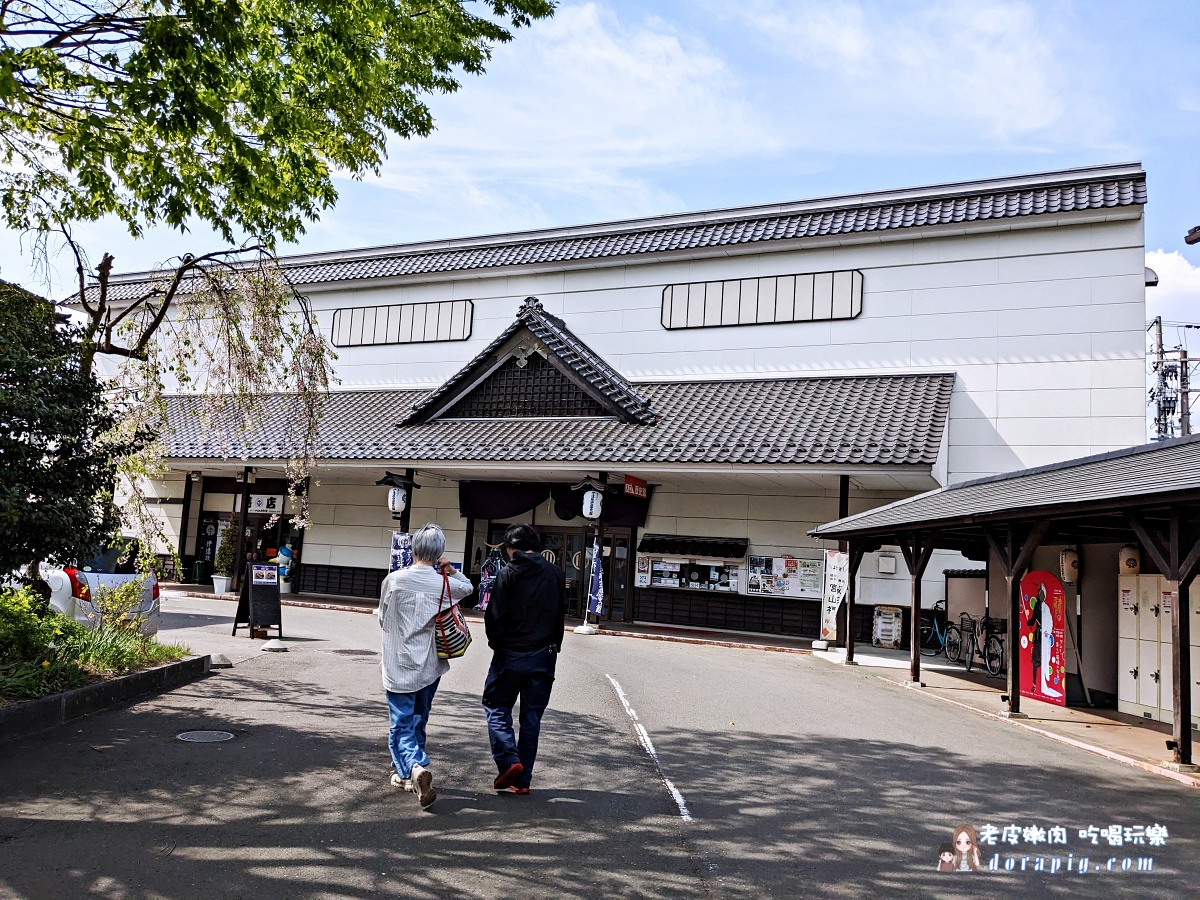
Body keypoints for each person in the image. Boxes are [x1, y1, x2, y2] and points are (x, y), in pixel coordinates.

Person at [379, 523, 473, 809]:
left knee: (400, 723)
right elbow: (468, 587)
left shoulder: (394, 581)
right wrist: (451, 570)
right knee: (419, 717)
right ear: (440, 552)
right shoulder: (444, 584)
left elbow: (383, 618)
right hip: (430, 663)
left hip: (397, 663)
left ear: (414, 548)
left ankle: (415, 767)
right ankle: (407, 775)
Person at [482, 523, 567, 794]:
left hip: (509, 654)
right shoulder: (555, 573)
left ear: (510, 549)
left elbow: (494, 617)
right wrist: (554, 646)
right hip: (543, 656)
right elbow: (559, 615)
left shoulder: (508, 573)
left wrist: (498, 646)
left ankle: (509, 760)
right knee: (531, 717)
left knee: (496, 706)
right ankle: (523, 780)